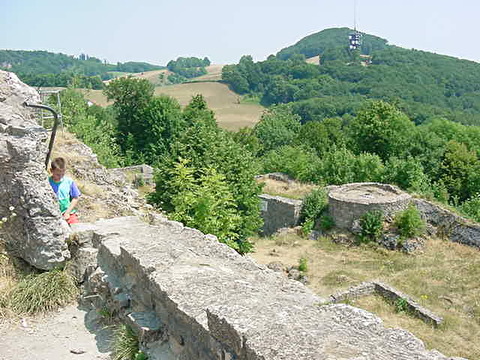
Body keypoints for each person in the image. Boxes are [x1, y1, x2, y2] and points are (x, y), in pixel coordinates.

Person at [48, 157, 81, 225]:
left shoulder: (69, 182)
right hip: (52, 214)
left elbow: (76, 197)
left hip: (68, 213)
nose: (60, 177)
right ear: (51, 170)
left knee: (75, 227)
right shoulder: (47, 182)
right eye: (57, 174)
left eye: (62, 174)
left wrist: (67, 212)